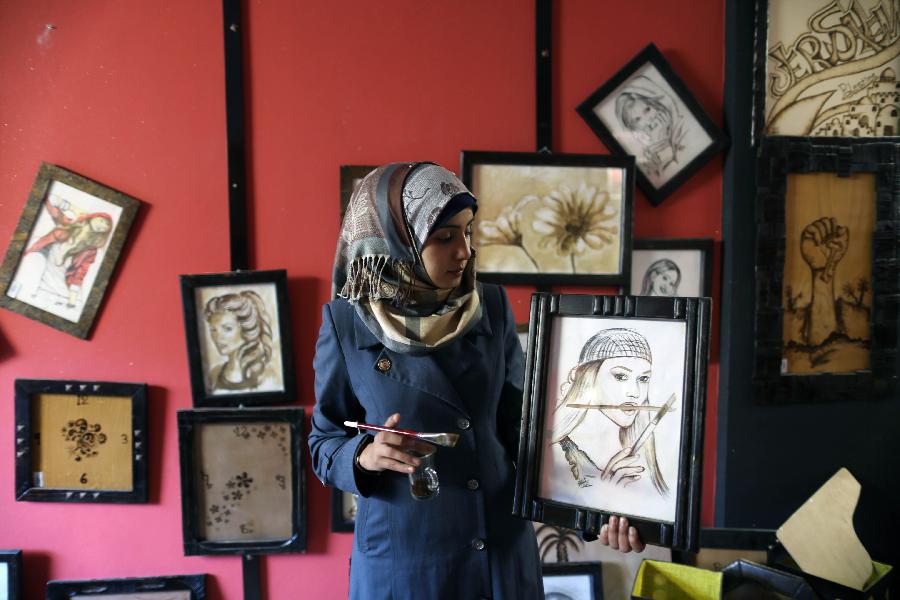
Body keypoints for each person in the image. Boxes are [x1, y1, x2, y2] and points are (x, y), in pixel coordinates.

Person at [309, 163, 641, 600]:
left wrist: (600, 510)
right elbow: (323, 444)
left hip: (499, 552)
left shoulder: (491, 305)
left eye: (467, 233)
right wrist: (364, 456)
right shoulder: (347, 322)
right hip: (406, 564)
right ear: (397, 239)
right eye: (444, 237)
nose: (463, 252)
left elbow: (528, 433)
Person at [550, 328, 669, 496]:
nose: (634, 392)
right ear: (585, 375)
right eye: (621, 376)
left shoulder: (646, 457)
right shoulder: (558, 454)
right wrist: (609, 491)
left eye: (643, 379)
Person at [24, 196, 113, 309]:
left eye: (106, 227)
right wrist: (73, 208)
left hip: (61, 291)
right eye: (102, 221)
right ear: (92, 217)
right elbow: (49, 200)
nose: (103, 226)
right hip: (38, 281)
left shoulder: (91, 250)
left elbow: (80, 273)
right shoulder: (68, 225)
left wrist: (72, 299)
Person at [614, 76, 686, 181]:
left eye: (647, 110)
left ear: (658, 105)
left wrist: (663, 144)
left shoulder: (684, 130)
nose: (648, 119)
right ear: (633, 130)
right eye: (637, 119)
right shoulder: (645, 158)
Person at [203, 290, 276, 393]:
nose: (218, 338)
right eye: (213, 330)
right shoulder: (214, 374)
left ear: (246, 329)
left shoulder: (267, 376)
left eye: (227, 328)